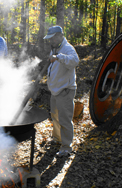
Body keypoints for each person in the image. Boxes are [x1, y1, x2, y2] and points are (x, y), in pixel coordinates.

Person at [43, 25, 79, 157]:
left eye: (52, 38)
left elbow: (75, 61)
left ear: (59, 36)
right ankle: (58, 139)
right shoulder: (55, 48)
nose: (50, 41)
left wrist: (59, 57)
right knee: (55, 116)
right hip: (55, 90)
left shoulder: (67, 48)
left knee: (65, 119)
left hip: (65, 90)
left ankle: (66, 147)